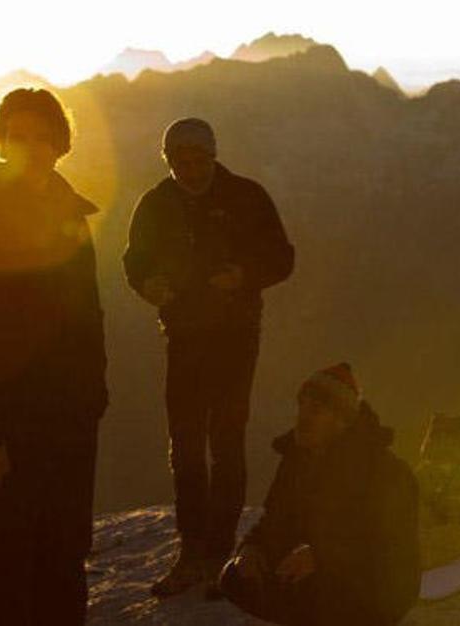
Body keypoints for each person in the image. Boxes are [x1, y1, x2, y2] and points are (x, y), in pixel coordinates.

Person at [0, 88, 107, 626]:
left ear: (60, 145)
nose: (30, 148)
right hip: (9, 427)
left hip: (70, 420)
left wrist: (92, 399)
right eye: (17, 136)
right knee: (7, 561)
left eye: (42, 137)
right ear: (0, 142)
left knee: (65, 553)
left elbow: (89, 319)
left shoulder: (72, 217)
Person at [123, 117, 294, 596]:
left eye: (201, 160)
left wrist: (243, 276)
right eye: (183, 162)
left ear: (214, 156)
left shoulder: (246, 197)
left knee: (225, 440)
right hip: (184, 336)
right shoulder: (156, 204)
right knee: (186, 443)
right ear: (169, 160)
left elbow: (282, 258)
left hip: (235, 336)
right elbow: (134, 260)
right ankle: (193, 550)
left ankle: (216, 554)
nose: (193, 170)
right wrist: (147, 284)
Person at [220, 363, 420, 626]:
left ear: (341, 420)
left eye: (315, 410)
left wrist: (322, 557)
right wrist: (252, 549)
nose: (303, 418)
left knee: (310, 591)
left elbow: (386, 546)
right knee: (235, 577)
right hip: (322, 570)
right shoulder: (297, 459)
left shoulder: (383, 470)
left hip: (377, 586)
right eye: (301, 407)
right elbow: (276, 521)